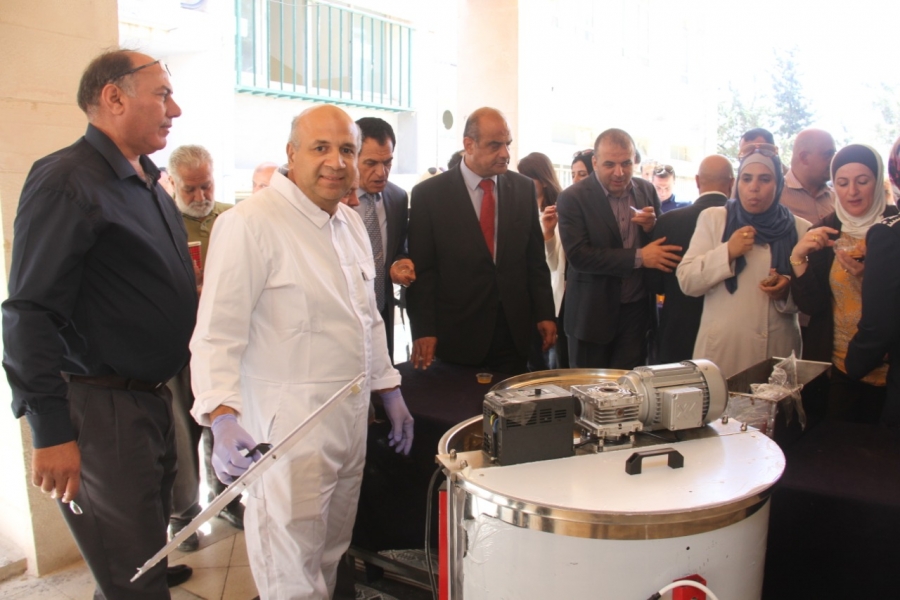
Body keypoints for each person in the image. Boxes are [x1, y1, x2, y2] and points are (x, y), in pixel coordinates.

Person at [189, 105, 414, 599]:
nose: (336, 162)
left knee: (330, 556)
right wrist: (221, 415)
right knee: (289, 571)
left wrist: (388, 387)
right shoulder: (250, 224)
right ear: (291, 154)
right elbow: (216, 335)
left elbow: (367, 317)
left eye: (347, 150)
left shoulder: (349, 223)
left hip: (348, 423)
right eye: (320, 148)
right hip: (286, 434)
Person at [2, 49, 196, 597]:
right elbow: (29, 312)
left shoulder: (146, 178)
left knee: (141, 555)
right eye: (162, 95)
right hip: (103, 408)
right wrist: (50, 430)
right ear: (114, 97)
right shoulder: (67, 181)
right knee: (130, 576)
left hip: (151, 398)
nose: (175, 109)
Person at [407, 107, 556, 375]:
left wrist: (545, 313)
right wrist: (424, 329)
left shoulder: (522, 189)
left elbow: (534, 260)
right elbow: (423, 271)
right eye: (495, 145)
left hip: (514, 332)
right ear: (469, 145)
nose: (505, 153)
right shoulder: (429, 195)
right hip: (456, 334)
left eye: (508, 144)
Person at [166, 145, 244, 553]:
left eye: (207, 186)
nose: (200, 197)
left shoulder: (233, 218)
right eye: (190, 189)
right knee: (182, 435)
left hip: (226, 345)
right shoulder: (161, 221)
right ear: (172, 184)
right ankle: (183, 516)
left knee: (224, 422)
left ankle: (227, 499)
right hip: (178, 346)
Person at [677, 149, 809, 378]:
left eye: (765, 179)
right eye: (747, 178)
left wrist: (787, 290)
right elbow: (687, 281)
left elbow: (811, 300)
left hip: (777, 349)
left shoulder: (800, 228)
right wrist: (727, 252)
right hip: (724, 350)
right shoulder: (715, 218)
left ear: (779, 185)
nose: (753, 187)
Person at [557, 128, 681, 369]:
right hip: (591, 315)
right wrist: (640, 257)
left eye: (626, 163)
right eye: (609, 164)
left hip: (637, 313)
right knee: (588, 388)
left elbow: (658, 243)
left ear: (634, 160)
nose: (619, 172)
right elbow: (579, 256)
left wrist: (652, 227)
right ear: (595, 163)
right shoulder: (573, 198)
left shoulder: (646, 190)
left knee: (629, 387)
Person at [790, 144, 896, 423]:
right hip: (840, 366)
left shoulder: (893, 228)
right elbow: (812, 305)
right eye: (842, 183)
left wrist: (871, 278)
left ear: (878, 182)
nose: (852, 192)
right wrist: (797, 257)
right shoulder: (825, 231)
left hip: (891, 368)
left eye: (863, 181)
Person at [650, 155, 734, 363]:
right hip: (726, 333)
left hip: (678, 329)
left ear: (697, 181)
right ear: (732, 183)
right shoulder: (742, 224)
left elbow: (655, 284)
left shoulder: (668, 221)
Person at [351, 117, 415, 362]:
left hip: (382, 316)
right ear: (351, 156)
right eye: (371, 163)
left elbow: (398, 248)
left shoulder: (397, 198)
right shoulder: (333, 201)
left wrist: (400, 262)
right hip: (340, 321)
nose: (381, 172)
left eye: (387, 162)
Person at [517, 151, 564, 369]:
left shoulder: (558, 212)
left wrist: (548, 233)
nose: (521, 183)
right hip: (524, 301)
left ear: (543, 181)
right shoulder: (519, 210)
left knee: (547, 366)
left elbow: (554, 264)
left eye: (527, 178)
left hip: (550, 300)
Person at [781, 129, 837, 227]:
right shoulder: (774, 196)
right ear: (804, 158)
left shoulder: (838, 197)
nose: (834, 160)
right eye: (828, 154)